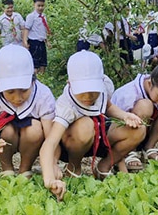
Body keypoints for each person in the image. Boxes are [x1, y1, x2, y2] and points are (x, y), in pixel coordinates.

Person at [39, 51, 143, 199]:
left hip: (99, 136)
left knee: (138, 130)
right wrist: (49, 178)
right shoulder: (66, 105)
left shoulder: (103, 89)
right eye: (83, 92)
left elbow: (108, 107)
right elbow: (49, 144)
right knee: (86, 126)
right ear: (70, 83)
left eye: (93, 91)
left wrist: (125, 115)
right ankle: (74, 167)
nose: (88, 97)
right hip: (75, 142)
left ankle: (105, 165)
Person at [0, 44, 56, 176]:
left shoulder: (43, 95)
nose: (18, 98)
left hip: (31, 134)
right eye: (10, 92)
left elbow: (50, 138)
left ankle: (25, 169)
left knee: (35, 130)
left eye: (24, 90)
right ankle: (7, 169)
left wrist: (52, 164)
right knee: (7, 130)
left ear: (33, 80)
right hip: (5, 133)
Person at [110, 51, 158, 171]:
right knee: (146, 106)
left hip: (145, 132)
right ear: (150, 84)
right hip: (121, 136)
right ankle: (130, 152)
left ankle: (148, 148)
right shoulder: (129, 94)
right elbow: (113, 125)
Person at [23, 0, 51, 75]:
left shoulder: (43, 16)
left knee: (43, 64)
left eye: (42, 6)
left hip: (42, 42)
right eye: (38, 6)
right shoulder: (31, 16)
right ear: (34, 5)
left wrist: (47, 41)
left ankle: (42, 80)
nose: (40, 8)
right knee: (35, 65)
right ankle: (33, 80)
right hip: (34, 42)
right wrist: (25, 41)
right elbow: (26, 29)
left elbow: (44, 30)